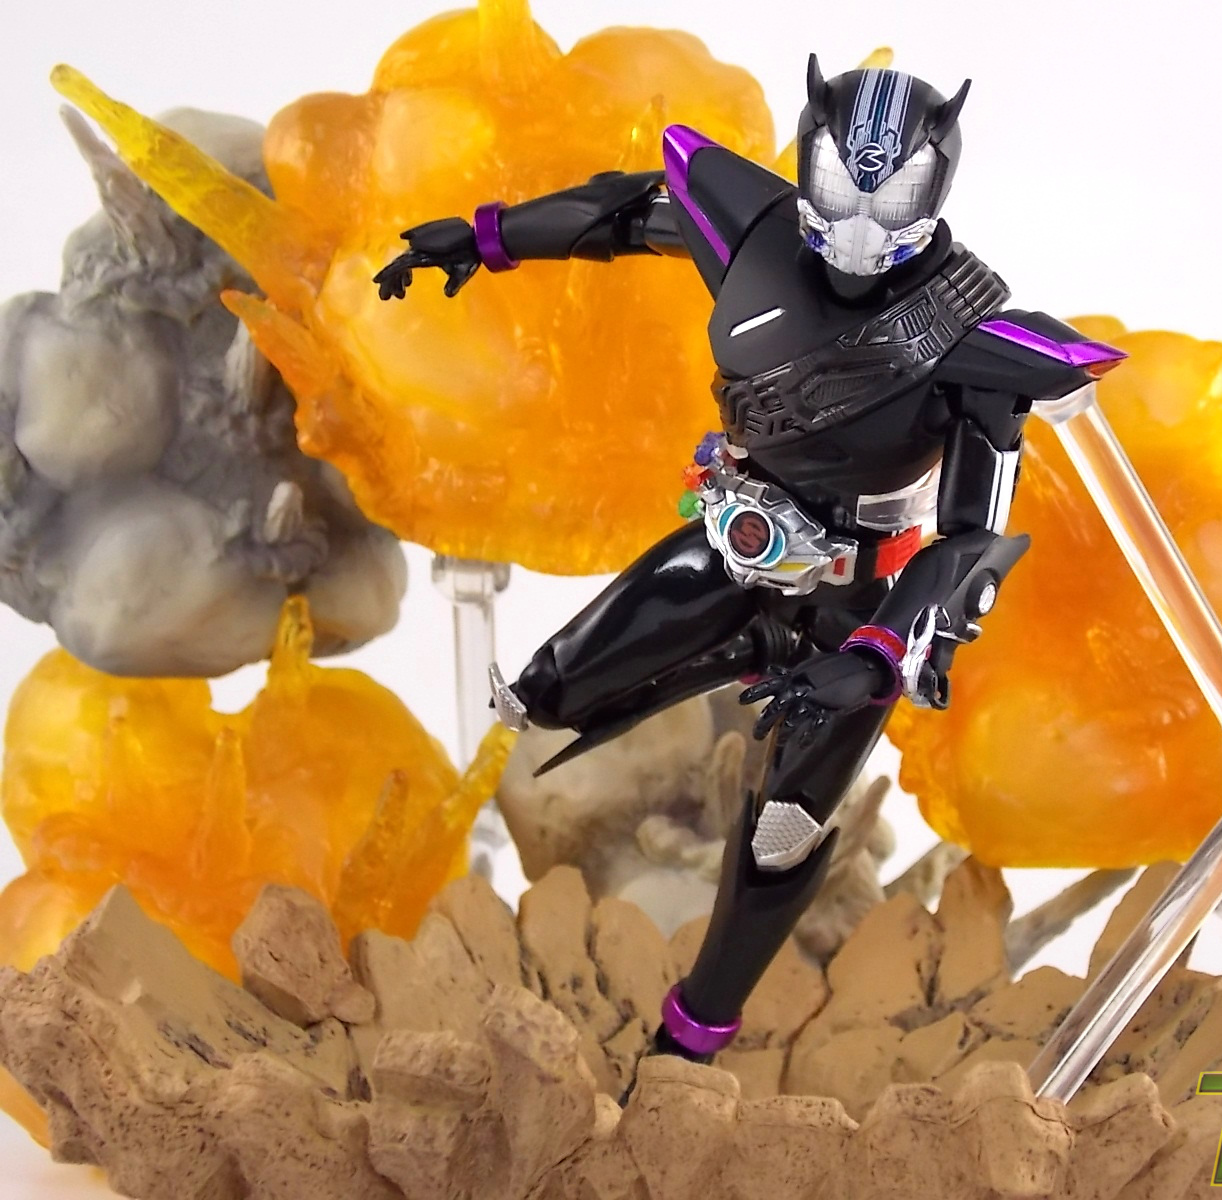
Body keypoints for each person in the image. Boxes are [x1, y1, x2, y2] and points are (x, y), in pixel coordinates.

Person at [374, 56, 1125, 1066]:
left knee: (781, 833)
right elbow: (625, 214)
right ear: (813, 164)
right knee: (547, 692)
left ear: (933, 185)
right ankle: (695, 676)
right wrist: (488, 235)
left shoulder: (972, 341)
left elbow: (971, 539)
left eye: (891, 195)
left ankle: (691, 1038)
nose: (861, 224)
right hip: (736, 543)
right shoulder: (756, 232)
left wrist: (877, 655)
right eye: (845, 189)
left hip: (857, 604)